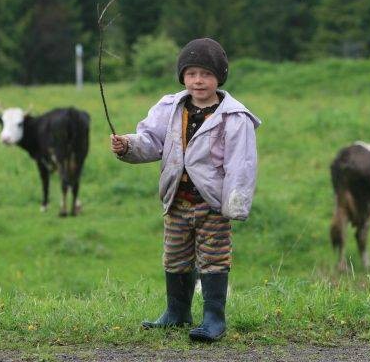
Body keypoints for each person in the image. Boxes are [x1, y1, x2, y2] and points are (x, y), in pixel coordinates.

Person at [110, 38, 260, 342]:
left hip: (212, 204)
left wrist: (232, 206)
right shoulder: (170, 108)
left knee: (214, 258)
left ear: (219, 77)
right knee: (175, 256)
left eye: (205, 74)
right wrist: (128, 145)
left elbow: (241, 164)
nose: (198, 81)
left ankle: (214, 319)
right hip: (177, 201)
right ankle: (176, 313)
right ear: (183, 77)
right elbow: (151, 141)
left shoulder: (233, 117)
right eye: (191, 74)